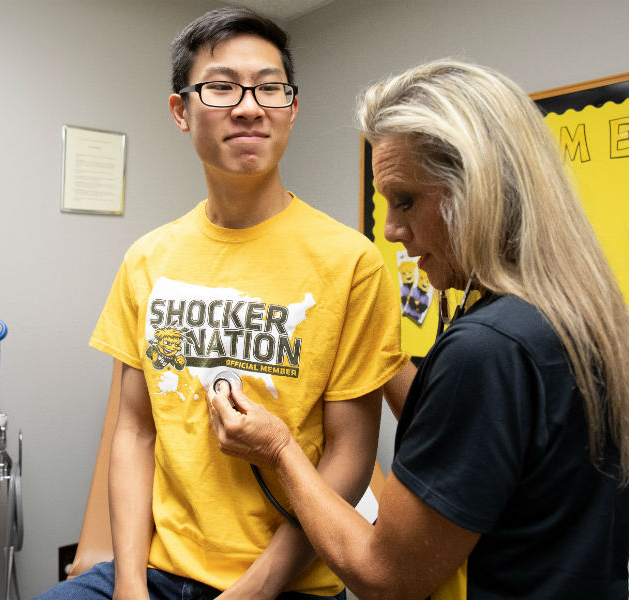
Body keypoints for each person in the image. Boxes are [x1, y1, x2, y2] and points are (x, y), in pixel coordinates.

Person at [207, 59, 629, 600]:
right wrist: (384, 355)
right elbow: (479, 440)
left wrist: (279, 449)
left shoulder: (487, 350)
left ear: (478, 187)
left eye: (406, 200)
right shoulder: (572, 319)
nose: (391, 231)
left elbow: (383, 576)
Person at [36, 6, 407, 600]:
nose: (249, 106)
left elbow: (352, 455)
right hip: (157, 573)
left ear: (291, 106)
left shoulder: (351, 262)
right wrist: (130, 583)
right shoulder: (147, 260)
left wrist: (254, 590)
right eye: (222, 86)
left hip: (288, 583)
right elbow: (133, 431)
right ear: (181, 110)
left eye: (269, 87)